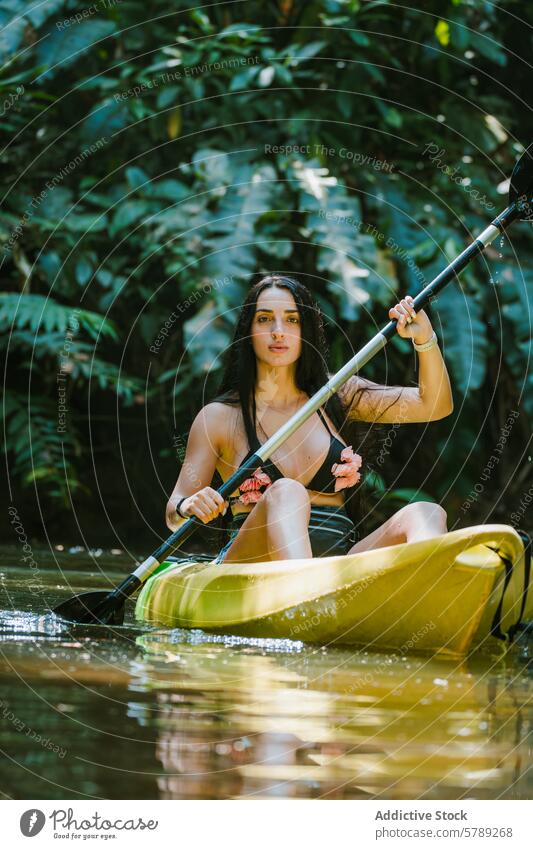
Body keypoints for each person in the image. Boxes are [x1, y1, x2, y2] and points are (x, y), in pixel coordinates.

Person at [165, 274, 453, 564]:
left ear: (306, 331)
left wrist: (424, 338)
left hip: (334, 568)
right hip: (250, 565)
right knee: (288, 492)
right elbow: (173, 513)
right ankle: (304, 592)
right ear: (248, 330)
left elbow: (434, 405)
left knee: (426, 512)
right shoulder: (219, 418)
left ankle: (428, 588)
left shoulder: (337, 394)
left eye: (292, 320)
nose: (278, 331)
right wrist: (187, 505)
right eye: (265, 319)